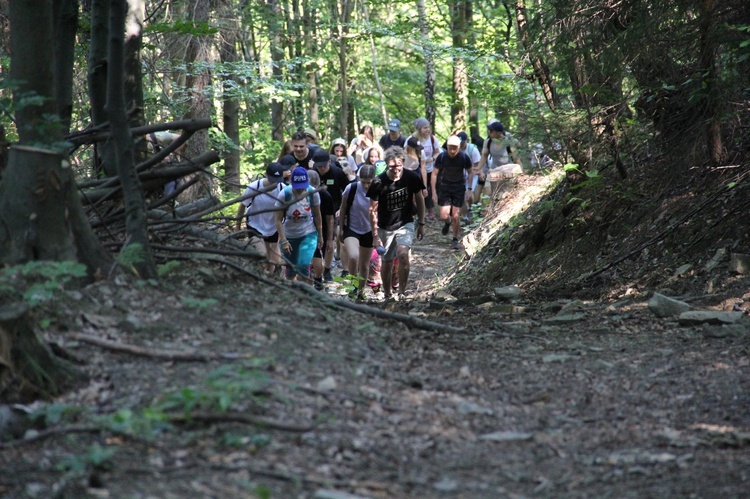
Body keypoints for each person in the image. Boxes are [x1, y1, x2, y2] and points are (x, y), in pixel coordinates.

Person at [367, 146, 426, 301]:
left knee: (402, 253)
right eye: (392, 166)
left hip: (405, 223)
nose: (395, 170)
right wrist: (374, 235)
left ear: (403, 163)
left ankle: (402, 292)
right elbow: (372, 210)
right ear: (386, 164)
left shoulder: (411, 177)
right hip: (385, 227)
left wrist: (421, 223)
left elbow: (420, 199)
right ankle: (388, 294)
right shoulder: (378, 182)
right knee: (386, 262)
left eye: (398, 166)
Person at [235, 162, 286, 274]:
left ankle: (270, 280)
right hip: (255, 224)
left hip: (273, 226)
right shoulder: (254, 187)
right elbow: (242, 206)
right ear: (266, 175)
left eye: (277, 181)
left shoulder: (283, 189)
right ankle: (258, 277)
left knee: (272, 262)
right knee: (262, 255)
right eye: (272, 180)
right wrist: (237, 227)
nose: (274, 184)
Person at [275, 167, 323, 283]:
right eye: (298, 186)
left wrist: (320, 235)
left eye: (303, 185)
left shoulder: (312, 193)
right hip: (289, 235)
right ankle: (293, 294)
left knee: (303, 265)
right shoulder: (284, 194)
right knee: (291, 271)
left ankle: (306, 295)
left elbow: (317, 215)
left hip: (308, 233)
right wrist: (284, 240)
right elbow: (277, 220)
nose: (300, 189)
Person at [311, 148, 350, 281]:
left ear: (329, 162)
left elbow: (347, 190)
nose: (321, 168)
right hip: (315, 210)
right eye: (319, 166)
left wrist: (341, 209)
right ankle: (314, 268)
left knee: (330, 239)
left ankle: (327, 269)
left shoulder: (337, 172)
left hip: (334, 209)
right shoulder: (313, 173)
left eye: (324, 165)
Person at [338, 164, 376, 301]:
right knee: (354, 256)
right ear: (359, 179)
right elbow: (343, 208)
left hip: (369, 230)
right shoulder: (352, 188)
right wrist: (341, 228)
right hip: (352, 228)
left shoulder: (378, 190)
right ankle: (353, 287)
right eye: (363, 182)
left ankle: (360, 291)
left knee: (364, 264)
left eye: (369, 182)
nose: (366, 186)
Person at [433, 135, 473, 250]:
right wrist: (434, 192)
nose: (452, 151)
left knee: (456, 215)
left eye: (454, 148)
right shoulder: (442, 157)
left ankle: (455, 239)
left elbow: (470, 172)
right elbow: (434, 174)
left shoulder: (464, 157)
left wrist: (469, 189)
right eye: (450, 148)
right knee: (444, 215)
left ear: (459, 147)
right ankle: (447, 222)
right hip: (445, 187)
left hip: (459, 187)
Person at [475, 121, 521, 206]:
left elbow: (516, 160)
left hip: (508, 173)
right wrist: (478, 169)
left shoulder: (508, 142)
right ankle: (486, 214)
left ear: (498, 132)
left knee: (505, 197)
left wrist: (520, 174)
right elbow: (484, 156)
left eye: (491, 131)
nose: (489, 133)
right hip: (493, 171)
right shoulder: (488, 142)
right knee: (487, 194)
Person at [307, 170, 335, 290]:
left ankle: (318, 281)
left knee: (318, 261)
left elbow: (330, 219)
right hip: (304, 230)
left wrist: (329, 239)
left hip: (320, 231)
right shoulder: (299, 194)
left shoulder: (325, 196)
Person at [411, 117, 441, 222]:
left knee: (427, 190)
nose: (428, 130)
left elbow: (438, 152)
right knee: (416, 191)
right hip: (416, 169)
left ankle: (430, 212)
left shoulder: (432, 138)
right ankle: (416, 213)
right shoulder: (412, 139)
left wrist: (432, 158)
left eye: (428, 127)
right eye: (425, 128)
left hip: (429, 169)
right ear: (419, 129)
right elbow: (407, 151)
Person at [456, 131, 481, 220]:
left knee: (469, 194)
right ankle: (465, 216)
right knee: (462, 196)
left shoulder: (473, 150)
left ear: (467, 140)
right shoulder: (456, 150)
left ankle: (471, 208)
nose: (461, 146)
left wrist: (470, 173)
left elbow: (477, 166)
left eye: (462, 143)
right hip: (461, 175)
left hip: (472, 175)